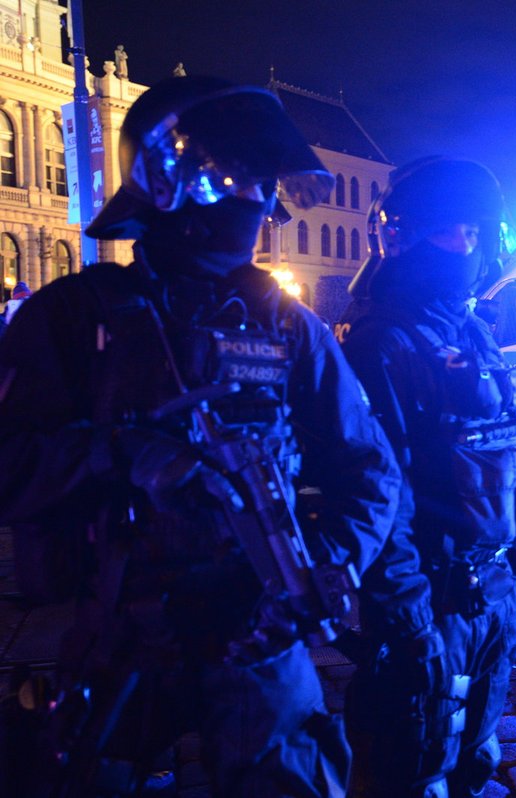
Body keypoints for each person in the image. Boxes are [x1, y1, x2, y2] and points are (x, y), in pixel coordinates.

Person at [0, 76, 402, 797]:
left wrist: (331, 563)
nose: (253, 199)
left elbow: (368, 468)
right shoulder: (72, 317)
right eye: (233, 176)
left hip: (259, 633)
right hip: (116, 637)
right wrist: (113, 455)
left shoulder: (286, 324)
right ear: (167, 183)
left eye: (261, 180)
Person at [339, 156, 516, 797]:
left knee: (478, 759)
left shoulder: (477, 335)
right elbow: (373, 490)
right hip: (431, 598)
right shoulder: (381, 344)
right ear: (400, 237)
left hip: (492, 596)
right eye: (448, 231)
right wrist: (406, 616)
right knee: (412, 776)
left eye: (473, 231)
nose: (465, 247)